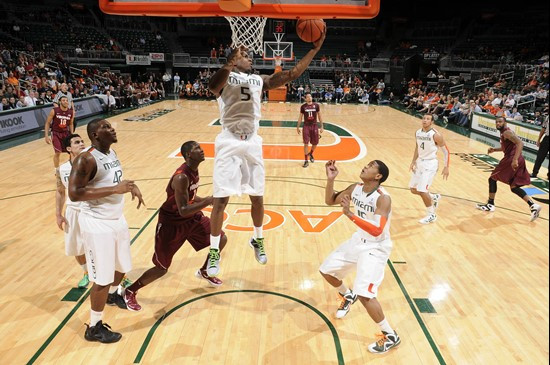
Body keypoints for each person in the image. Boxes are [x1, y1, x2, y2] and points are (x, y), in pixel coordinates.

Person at [206, 31, 326, 277]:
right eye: (245, 55)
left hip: (252, 141)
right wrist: (229, 62)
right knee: (220, 201)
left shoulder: (259, 80)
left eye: (249, 55)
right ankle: (214, 251)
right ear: (234, 59)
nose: (249, 58)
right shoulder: (225, 78)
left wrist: (314, 50)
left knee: (257, 196)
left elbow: (291, 74)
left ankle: (257, 239)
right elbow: (211, 87)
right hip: (228, 140)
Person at [122, 141, 227, 312]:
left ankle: (205, 271)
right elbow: (183, 209)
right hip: (171, 224)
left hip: (192, 219)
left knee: (221, 238)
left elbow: (189, 196)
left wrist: (205, 199)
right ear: (187, 156)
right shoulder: (181, 177)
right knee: (161, 268)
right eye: (197, 149)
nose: (201, 151)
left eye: (200, 148)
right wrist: (208, 201)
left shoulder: (193, 170)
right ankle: (130, 290)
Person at [68, 118, 145, 343]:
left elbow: (114, 181)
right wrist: (115, 189)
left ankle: (112, 296)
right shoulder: (86, 159)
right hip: (96, 223)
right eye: (106, 127)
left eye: (111, 126)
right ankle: (94, 327)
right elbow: (74, 193)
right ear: (95, 136)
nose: (112, 129)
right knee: (102, 278)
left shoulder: (110, 153)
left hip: (116, 219)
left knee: (121, 268)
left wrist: (131, 186)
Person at [320, 159, 401, 354]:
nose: (365, 166)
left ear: (378, 176)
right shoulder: (355, 188)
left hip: (376, 247)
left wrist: (349, 214)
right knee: (327, 271)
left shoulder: (383, 198)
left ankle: (391, 335)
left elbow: (377, 230)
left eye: (371, 165)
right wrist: (331, 179)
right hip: (359, 240)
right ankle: (347, 294)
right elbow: (330, 200)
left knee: (365, 294)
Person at [476, 116, 542, 221]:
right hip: (518, 158)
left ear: (505, 122)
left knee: (492, 178)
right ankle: (533, 206)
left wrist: (514, 160)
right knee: (514, 186)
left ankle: (490, 204)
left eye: (500, 122)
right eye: (496, 122)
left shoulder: (506, 132)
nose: (498, 123)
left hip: (511, 159)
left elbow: (520, 143)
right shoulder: (505, 133)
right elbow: (505, 147)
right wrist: (494, 149)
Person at [56, 134, 89, 288]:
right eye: (77, 142)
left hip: (91, 210)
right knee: (76, 246)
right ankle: (86, 272)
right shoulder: (62, 169)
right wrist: (58, 214)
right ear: (69, 149)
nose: (81, 143)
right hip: (73, 211)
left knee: (103, 244)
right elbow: (60, 191)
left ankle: (119, 277)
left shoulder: (91, 163)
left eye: (82, 141)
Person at [409, 114, 450, 224]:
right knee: (413, 189)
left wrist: (446, 167)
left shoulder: (436, 135)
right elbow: (417, 147)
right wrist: (413, 161)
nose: (425, 120)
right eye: (424, 118)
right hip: (419, 163)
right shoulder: (417, 132)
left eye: (428, 119)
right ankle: (434, 197)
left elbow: (446, 151)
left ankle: (431, 214)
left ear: (432, 122)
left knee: (422, 190)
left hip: (430, 164)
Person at [45, 96, 75, 168]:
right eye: (63, 100)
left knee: (71, 151)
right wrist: (46, 135)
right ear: (60, 102)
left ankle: (72, 167)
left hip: (65, 133)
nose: (65, 102)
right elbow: (48, 123)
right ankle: (57, 170)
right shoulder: (54, 110)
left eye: (66, 100)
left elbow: (71, 124)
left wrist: (72, 135)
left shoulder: (71, 112)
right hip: (56, 133)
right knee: (58, 152)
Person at [297, 92, 324, 168]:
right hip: (306, 126)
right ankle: (306, 161)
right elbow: (300, 117)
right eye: (308, 97)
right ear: (305, 99)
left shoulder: (316, 105)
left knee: (315, 143)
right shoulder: (303, 107)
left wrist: (322, 126)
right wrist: (298, 127)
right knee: (306, 143)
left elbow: (320, 116)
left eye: (310, 96)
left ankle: (311, 153)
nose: (309, 98)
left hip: (314, 126)